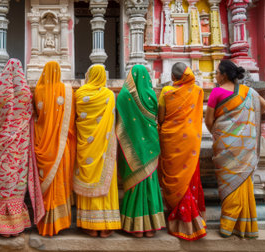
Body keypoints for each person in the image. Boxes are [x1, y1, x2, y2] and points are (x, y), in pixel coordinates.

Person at [205, 60, 265, 238]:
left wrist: (220, 133)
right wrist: (245, 123)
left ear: (223, 75)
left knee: (228, 184)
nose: (215, 76)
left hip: (225, 145)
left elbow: (208, 121)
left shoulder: (217, 92)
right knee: (241, 182)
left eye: (216, 72)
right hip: (245, 147)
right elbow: (263, 106)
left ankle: (227, 225)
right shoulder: (249, 92)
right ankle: (244, 227)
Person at [0, 59, 44, 237]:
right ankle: (14, 225)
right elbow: (30, 114)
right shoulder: (26, 95)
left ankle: (1, 226)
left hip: (1, 146)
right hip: (19, 148)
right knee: (17, 182)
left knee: (2, 183)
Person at [158, 62, 206, 241]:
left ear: (172, 77)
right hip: (191, 140)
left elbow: (161, 116)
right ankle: (192, 219)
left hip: (171, 138)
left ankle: (179, 219)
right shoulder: (198, 91)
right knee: (189, 177)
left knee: (174, 177)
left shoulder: (166, 92)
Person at [116, 65, 166, 238]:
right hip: (150, 145)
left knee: (135, 182)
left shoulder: (123, 96)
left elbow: (120, 124)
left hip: (132, 148)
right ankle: (152, 226)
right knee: (150, 181)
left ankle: (134, 225)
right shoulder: (152, 95)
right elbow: (159, 118)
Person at [74, 64, 121, 238]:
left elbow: (76, 118)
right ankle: (106, 225)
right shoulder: (109, 95)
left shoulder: (79, 93)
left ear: (88, 76)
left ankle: (90, 225)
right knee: (105, 182)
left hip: (86, 148)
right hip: (104, 148)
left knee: (89, 179)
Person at [34, 61, 77, 236]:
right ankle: (60, 222)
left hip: (43, 143)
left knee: (46, 182)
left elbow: (38, 117)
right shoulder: (67, 91)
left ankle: (45, 222)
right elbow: (72, 120)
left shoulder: (38, 91)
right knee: (60, 183)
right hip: (61, 146)